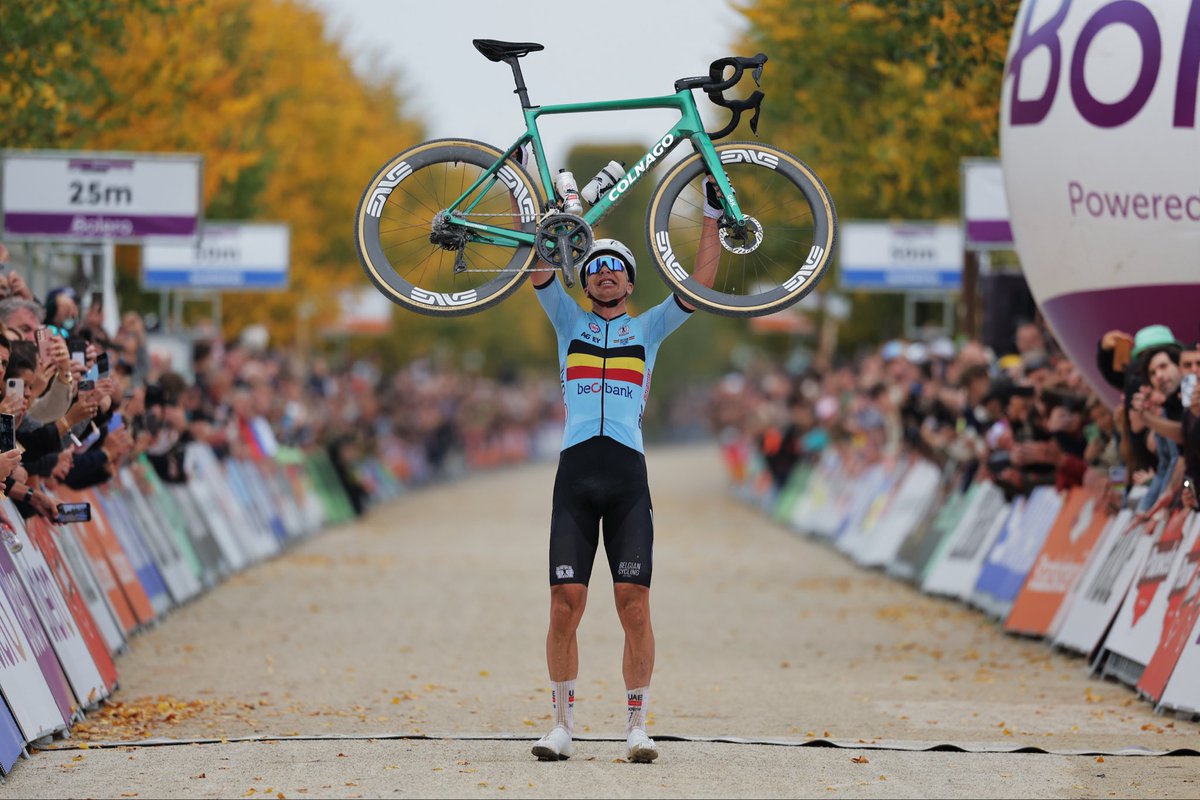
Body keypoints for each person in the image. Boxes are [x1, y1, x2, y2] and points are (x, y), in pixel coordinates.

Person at [527, 182, 721, 764]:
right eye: (594, 267)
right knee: (564, 603)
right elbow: (539, 266)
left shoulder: (649, 328)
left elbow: (700, 285)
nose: (605, 273)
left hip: (627, 476)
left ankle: (637, 726)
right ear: (584, 282)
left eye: (616, 267)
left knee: (633, 603)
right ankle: (561, 725)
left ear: (630, 283)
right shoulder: (567, 320)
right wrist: (542, 209)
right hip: (576, 475)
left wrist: (712, 218)